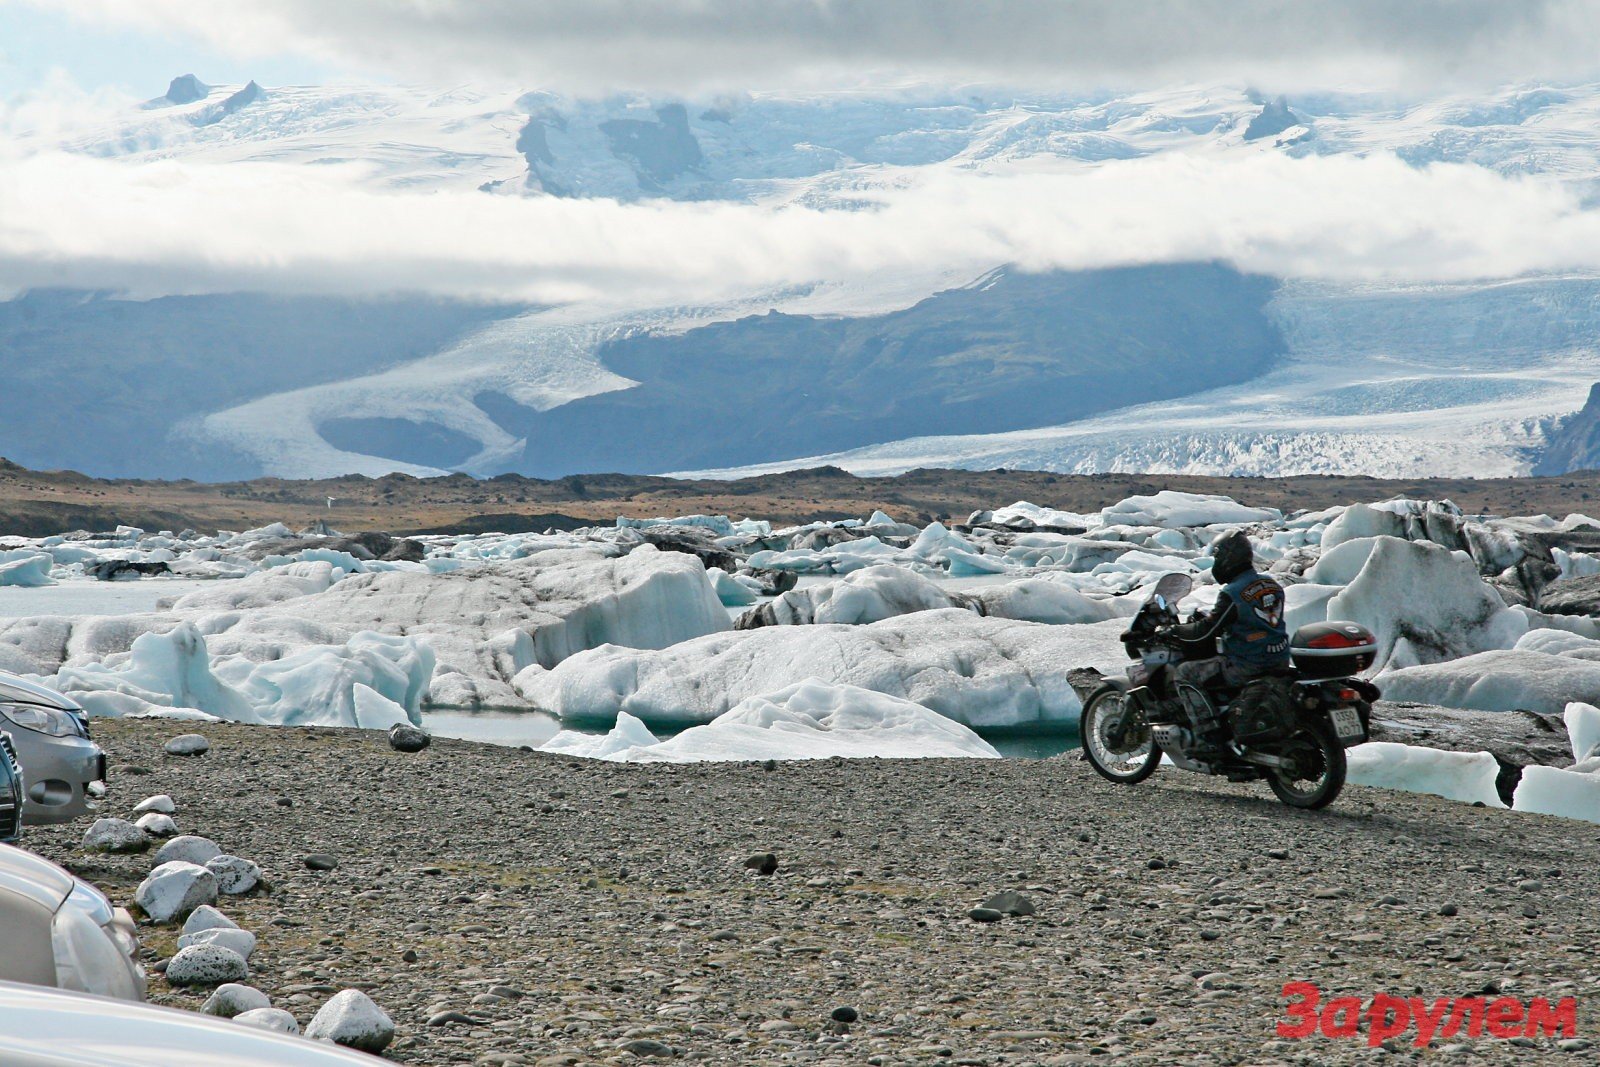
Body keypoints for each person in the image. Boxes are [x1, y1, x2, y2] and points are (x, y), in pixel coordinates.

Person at [1169, 529, 1290, 698]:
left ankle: (1205, 724)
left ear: (1228, 558)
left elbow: (1208, 630)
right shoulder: (1271, 584)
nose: (1217, 563)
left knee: (1184, 673)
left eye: (1218, 557)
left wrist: (1174, 630)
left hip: (1248, 664)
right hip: (1280, 660)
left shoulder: (1232, 592)